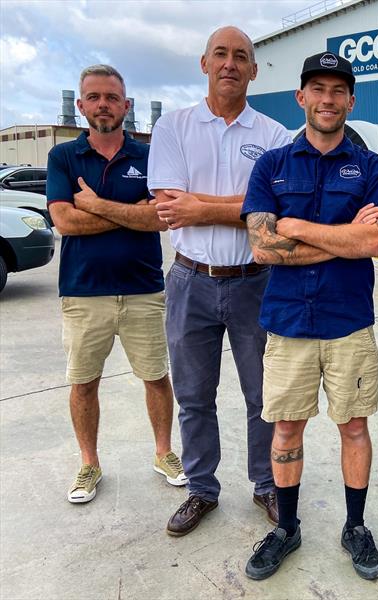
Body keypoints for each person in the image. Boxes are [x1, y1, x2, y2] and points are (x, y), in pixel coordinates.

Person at [241, 51, 378, 582]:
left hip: (348, 320)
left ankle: (355, 526)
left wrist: (298, 227)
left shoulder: (372, 168)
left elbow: (374, 240)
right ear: (300, 97)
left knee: (354, 426)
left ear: (351, 100)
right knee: (285, 431)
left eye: (338, 90)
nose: (327, 99)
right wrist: (343, 239)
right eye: (317, 89)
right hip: (288, 323)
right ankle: (287, 527)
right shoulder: (272, 166)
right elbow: (261, 246)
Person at [147, 26, 292, 536]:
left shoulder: (274, 136)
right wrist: (240, 208)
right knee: (193, 395)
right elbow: (170, 207)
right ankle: (202, 489)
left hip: (257, 281)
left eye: (242, 57)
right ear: (204, 63)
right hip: (192, 282)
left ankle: (266, 485)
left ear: (254, 70)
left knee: (263, 395)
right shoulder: (174, 128)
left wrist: (201, 205)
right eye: (221, 55)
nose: (230, 63)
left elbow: (272, 215)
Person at [47, 64, 186, 504]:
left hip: (143, 289)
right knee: (84, 383)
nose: (103, 104)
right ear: (82, 105)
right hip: (84, 292)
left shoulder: (149, 157)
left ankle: (164, 452)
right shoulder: (63, 158)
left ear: (127, 106)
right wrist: (127, 212)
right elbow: (65, 221)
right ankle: (89, 463)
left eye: (112, 97)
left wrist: (96, 204)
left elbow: (157, 218)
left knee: (156, 377)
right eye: (94, 96)